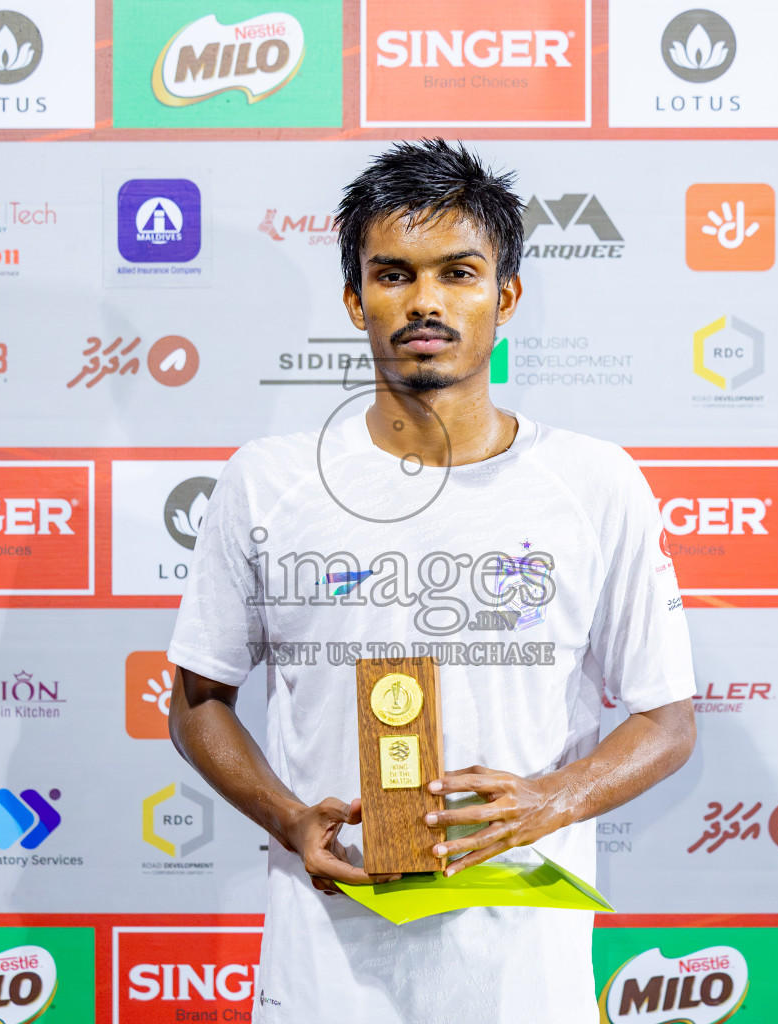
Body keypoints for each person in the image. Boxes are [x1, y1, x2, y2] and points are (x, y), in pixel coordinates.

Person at [167, 139, 696, 1022]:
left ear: (506, 295)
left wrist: (551, 800)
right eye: (393, 274)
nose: (425, 302)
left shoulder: (594, 482)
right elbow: (194, 703)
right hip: (322, 976)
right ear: (354, 298)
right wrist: (290, 819)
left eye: (457, 273)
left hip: (523, 978)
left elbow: (667, 720)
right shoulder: (270, 481)